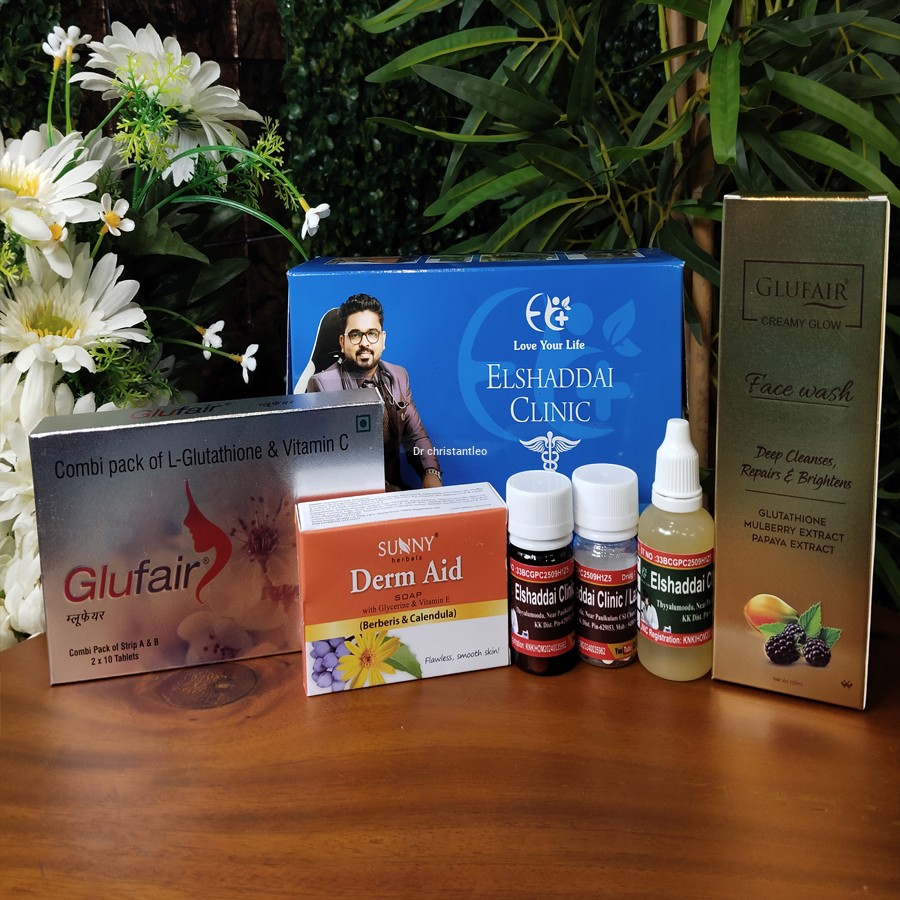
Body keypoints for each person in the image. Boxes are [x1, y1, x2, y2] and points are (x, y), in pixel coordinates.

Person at [305, 293, 443, 491]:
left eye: (372, 333)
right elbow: (326, 460)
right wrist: (383, 490)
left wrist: (431, 473)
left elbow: (416, 437)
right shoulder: (322, 385)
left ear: (382, 340)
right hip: (350, 495)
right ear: (343, 343)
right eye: (355, 335)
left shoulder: (399, 376)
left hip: (397, 492)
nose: (364, 343)